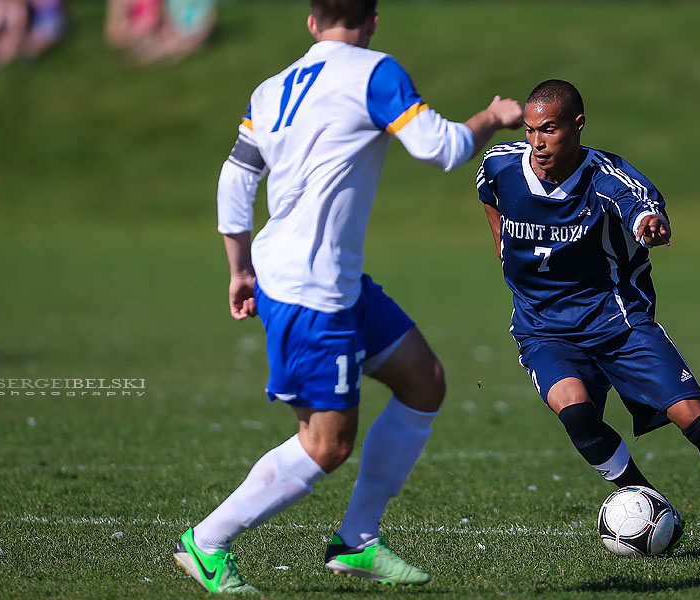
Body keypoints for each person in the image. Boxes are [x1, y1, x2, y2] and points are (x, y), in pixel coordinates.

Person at [173, 0, 522, 593]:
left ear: (312, 21)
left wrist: (239, 268)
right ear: (373, 20)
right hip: (311, 292)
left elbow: (236, 177)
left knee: (424, 382)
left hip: (331, 279)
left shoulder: (271, 88)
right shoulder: (375, 72)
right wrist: (493, 115)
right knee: (326, 446)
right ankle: (206, 541)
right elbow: (443, 148)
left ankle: (357, 540)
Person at [475, 79, 700, 556]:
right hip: (544, 328)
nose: (537, 142)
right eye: (531, 130)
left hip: (618, 323)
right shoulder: (501, 164)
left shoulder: (608, 178)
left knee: (698, 422)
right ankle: (648, 501)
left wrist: (650, 225)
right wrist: (501, 246)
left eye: (550, 130)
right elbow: (488, 192)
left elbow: (641, 207)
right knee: (576, 413)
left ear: (578, 125)